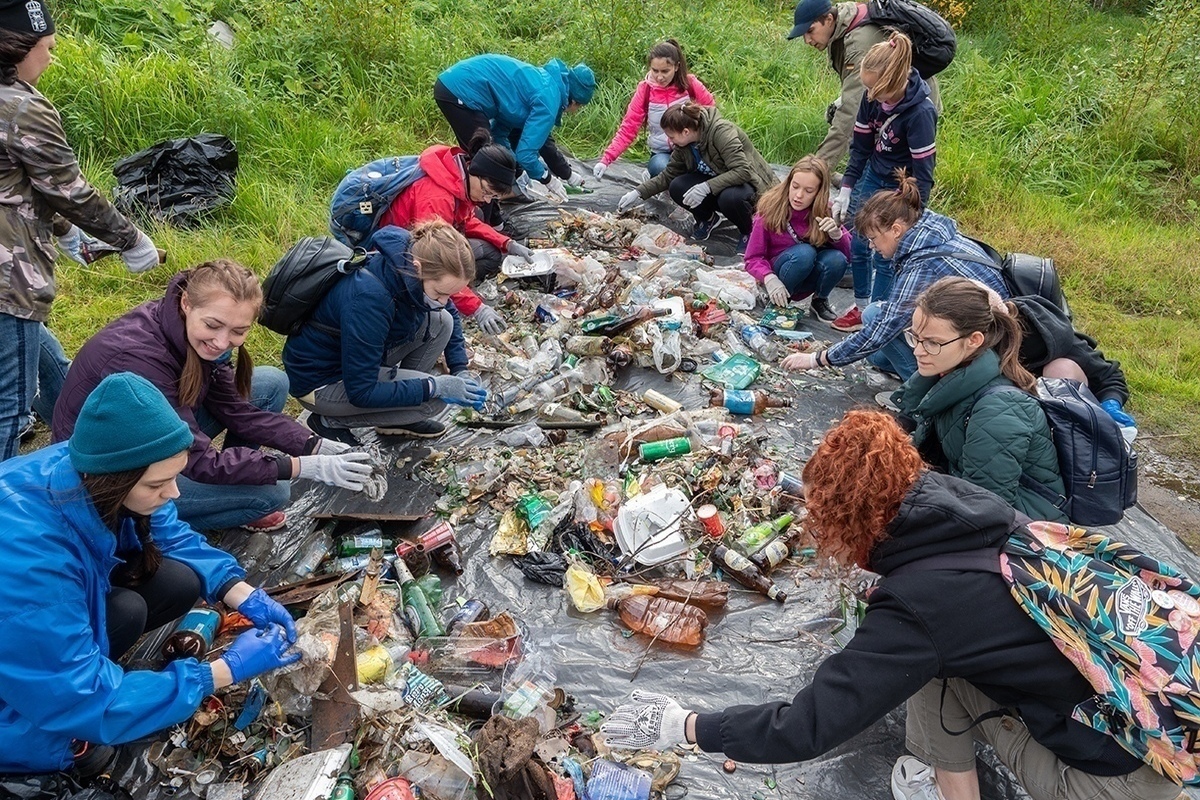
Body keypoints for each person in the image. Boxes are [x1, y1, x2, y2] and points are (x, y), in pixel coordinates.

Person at [601, 409, 1179, 800]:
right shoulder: (961, 503)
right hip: (1145, 708)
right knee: (931, 663)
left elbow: (807, 727)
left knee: (929, 676)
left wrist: (687, 726)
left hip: (1121, 775)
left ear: (854, 521)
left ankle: (938, 785)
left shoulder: (919, 607)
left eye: (826, 523)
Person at [0, 372, 302, 777]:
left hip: (34, 623)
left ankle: (84, 667)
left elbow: (167, 529)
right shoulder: (32, 564)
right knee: (79, 737)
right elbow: (82, 699)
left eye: (174, 477)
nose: (175, 493)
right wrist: (222, 671)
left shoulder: (84, 464)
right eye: (159, 484)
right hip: (21, 658)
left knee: (176, 584)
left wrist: (238, 590)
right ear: (116, 480)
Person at [53, 260, 372, 532]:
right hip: (109, 479)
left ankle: (232, 484)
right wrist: (302, 466)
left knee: (269, 384)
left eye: (238, 331)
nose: (222, 342)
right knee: (271, 493)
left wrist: (314, 444)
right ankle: (156, 524)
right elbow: (197, 458)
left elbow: (237, 410)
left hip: (154, 439)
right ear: (187, 304)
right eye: (214, 325)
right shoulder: (139, 358)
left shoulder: (185, 331)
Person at [0, 2, 161, 462]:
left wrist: (66, 234)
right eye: (45, 47)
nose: (50, 57)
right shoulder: (20, 107)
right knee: (8, 410)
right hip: (8, 281)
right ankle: (12, 520)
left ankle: (80, 455)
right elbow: (70, 191)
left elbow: (14, 185)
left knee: (56, 376)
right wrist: (132, 240)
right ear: (16, 48)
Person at [782, 171, 1007, 380]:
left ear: (896, 230)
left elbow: (884, 327)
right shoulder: (929, 231)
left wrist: (817, 359)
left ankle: (923, 395)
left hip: (985, 349)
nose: (871, 246)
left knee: (874, 318)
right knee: (876, 351)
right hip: (979, 334)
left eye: (873, 238)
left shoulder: (923, 264)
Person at [283, 221, 487, 442]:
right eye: (439, 294)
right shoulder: (370, 300)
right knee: (434, 401)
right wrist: (433, 386)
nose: (445, 301)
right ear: (418, 268)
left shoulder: (407, 270)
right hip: (322, 381)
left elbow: (449, 312)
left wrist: (459, 369)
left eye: (449, 295)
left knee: (442, 320)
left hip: (351, 359)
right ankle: (328, 422)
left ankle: (397, 416)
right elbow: (361, 391)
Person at [891, 277, 1068, 522]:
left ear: (974, 340)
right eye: (915, 337)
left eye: (933, 342)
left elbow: (983, 512)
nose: (918, 351)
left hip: (1028, 529)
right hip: (969, 500)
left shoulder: (1000, 409)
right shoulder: (946, 371)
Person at [829, 31, 938, 332]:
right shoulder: (871, 97)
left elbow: (923, 171)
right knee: (860, 241)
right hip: (874, 173)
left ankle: (878, 314)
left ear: (893, 83)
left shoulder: (920, 114)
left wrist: (914, 211)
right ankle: (862, 307)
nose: (871, 96)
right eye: (868, 88)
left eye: (877, 90)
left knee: (886, 253)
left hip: (900, 188)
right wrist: (848, 187)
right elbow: (861, 146)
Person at [376, 132, 528, 336]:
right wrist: (477, 308)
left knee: (492, 252)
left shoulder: (457, 176)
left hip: (426, 241)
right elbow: (436, 260)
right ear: (476, 172)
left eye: (493, 196)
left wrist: (507, 243)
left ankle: (454, 290)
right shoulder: (436, 197)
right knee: (445, 274)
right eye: (487, 191)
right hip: (400, 254)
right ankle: (441, 293)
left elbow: (467, 219)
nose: (487, 199)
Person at [787, 0, 941, 175]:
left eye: (810, 31)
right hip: (887, 99)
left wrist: (815, 171)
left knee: (895, 170)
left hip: (912, 105)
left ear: (829, 19)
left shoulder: (858, 44)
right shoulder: (843, 24)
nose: (807, 40)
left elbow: (850, 114)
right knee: (836, 113)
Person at [617, 102, 778, 253]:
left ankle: (749, 232)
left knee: (729, 198)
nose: (670, 141)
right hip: (717, 183)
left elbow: (743, 171)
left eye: (672, 137)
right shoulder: (684, 145)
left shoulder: (721, 132)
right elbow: (668, 175)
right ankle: (708, 219)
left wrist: (706, 187)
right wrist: (638, 193)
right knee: (677, 185)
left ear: (686, 131)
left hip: (747, 186)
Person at [434, 54, 595, 199]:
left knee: (493, 158)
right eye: (579, 108)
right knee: (486, 162)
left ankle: (488, 213)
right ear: (574, 101)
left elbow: (502, 134)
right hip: (462, 91)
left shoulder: (547, 86)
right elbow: (525, 153)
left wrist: (519, 172)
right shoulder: (549, 100)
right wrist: (546, 179)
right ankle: (487, 220)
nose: (575, 112)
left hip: (457, 85)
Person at [743, 155, 848, 322]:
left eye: (808, 191)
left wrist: (837, 235)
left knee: (837, 259)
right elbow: (752, 258)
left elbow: (849, 255)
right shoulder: (770, 209)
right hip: (777, 276)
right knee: (804, 253)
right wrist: (769, 278)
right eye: (795, 186)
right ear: (788, 183)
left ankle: (819, 300)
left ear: (819, 193)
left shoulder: (825, 211)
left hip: (807, 275)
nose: (798, 195)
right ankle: (777, 302)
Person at [593, 40, 715, 180]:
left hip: (692, 147)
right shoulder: (645, 90)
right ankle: (659, 181)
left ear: (676, 67)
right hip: (662, 152)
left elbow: (712, 116)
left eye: (665, 71)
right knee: (661, 167)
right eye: (655, 71)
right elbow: (629, 127)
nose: (659, 77)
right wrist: (606, 160)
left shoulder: (690, 84)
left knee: (702, 170)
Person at [1012, 294, 1136, 428]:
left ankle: (1080, 428)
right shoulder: (991, 340)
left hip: (1059, 408)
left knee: (1059, 368)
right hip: (1013, 414)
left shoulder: (1054, 337)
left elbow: (1108, 377)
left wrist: (1111, 402)